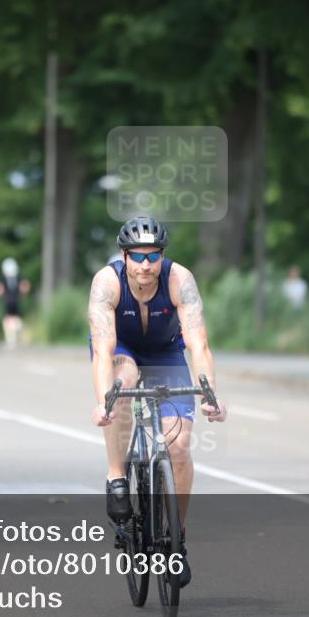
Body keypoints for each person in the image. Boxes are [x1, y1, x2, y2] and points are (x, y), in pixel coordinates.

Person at [88, 216, 228, 588]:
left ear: (162, 256)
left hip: (166, 352)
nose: (146, 265)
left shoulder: (179, 280)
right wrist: (104, 400)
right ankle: (117, 475)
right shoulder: (107, 282)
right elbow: (102, 350)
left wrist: (210, 394)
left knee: (179, 447)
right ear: (124, 256)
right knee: (125, 380)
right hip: (122, 350)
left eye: (153, 257)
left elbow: (198, 344)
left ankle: (176, 540)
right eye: (138, 257)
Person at [0, 258, 31, 349]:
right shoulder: (15, 278)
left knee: (8, 320)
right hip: (13, 301)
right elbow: (25, 287)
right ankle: (13, 336)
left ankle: (12, 337)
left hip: (10, 301)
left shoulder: (9, 279)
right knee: (11, 319)